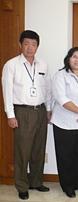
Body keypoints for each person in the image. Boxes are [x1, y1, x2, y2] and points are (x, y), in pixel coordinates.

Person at [1, 30, 52, 200]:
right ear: (20, 45)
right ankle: (22, 185)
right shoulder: (11, 65)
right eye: (26, 44)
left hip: (41, 111)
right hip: (22, 111)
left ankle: (36, 182)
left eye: (34, 44)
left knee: (38, 148)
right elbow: (7, 91)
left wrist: (49, 109)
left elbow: (48, 88)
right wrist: (10, 114)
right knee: (23, 151)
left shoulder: (43, 65)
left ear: (38, 46)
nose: (30, 48)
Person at [51, 47, 78, 198]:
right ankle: (67, 186)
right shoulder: (60, 75)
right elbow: (61, 99)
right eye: (74, 57)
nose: (77, 60)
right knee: (65, 156)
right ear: (68, 58)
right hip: (64, 123)